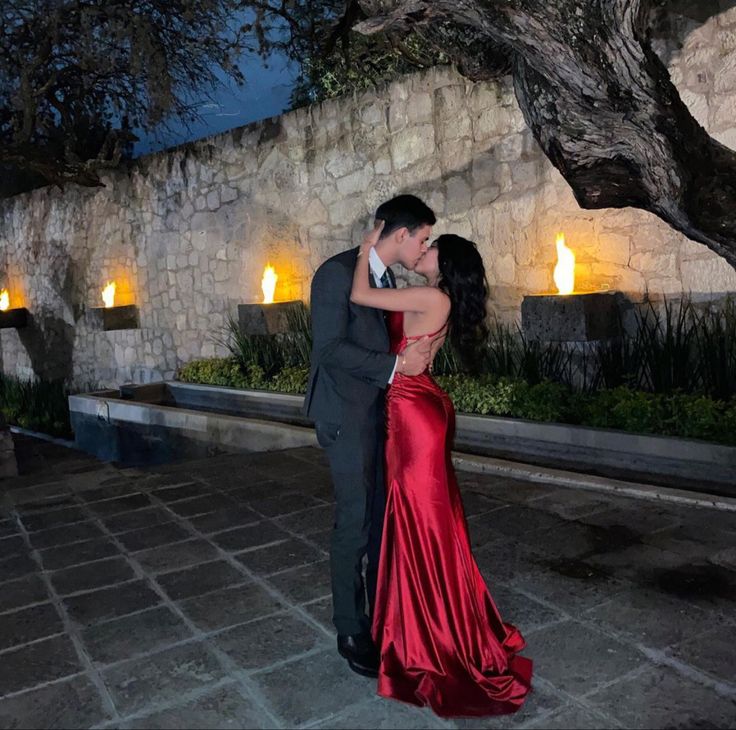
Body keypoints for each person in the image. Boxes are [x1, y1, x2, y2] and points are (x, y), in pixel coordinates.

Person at [350, 223, 533, 718]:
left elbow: (362, 295)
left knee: (419, 519)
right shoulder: (434, 297)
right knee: (422, 517)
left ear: (443, 264)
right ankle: (428, 620)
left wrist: (369, 246)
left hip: (413, 413)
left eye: (430, 249)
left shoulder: (431, 297)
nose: (423, 251)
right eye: (423, 245)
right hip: (416, 404)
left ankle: (429, 632)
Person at [304, 195, 437, 678]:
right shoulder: (336, 273)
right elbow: (330, 349)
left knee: (381, 523)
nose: (423, 246)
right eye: (422, 237)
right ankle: (350, 628)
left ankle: (381, 619)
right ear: (401, 234)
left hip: (381, 420)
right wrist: (396, 366)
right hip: (345, 417)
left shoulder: (382, 280)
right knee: (355, 523)